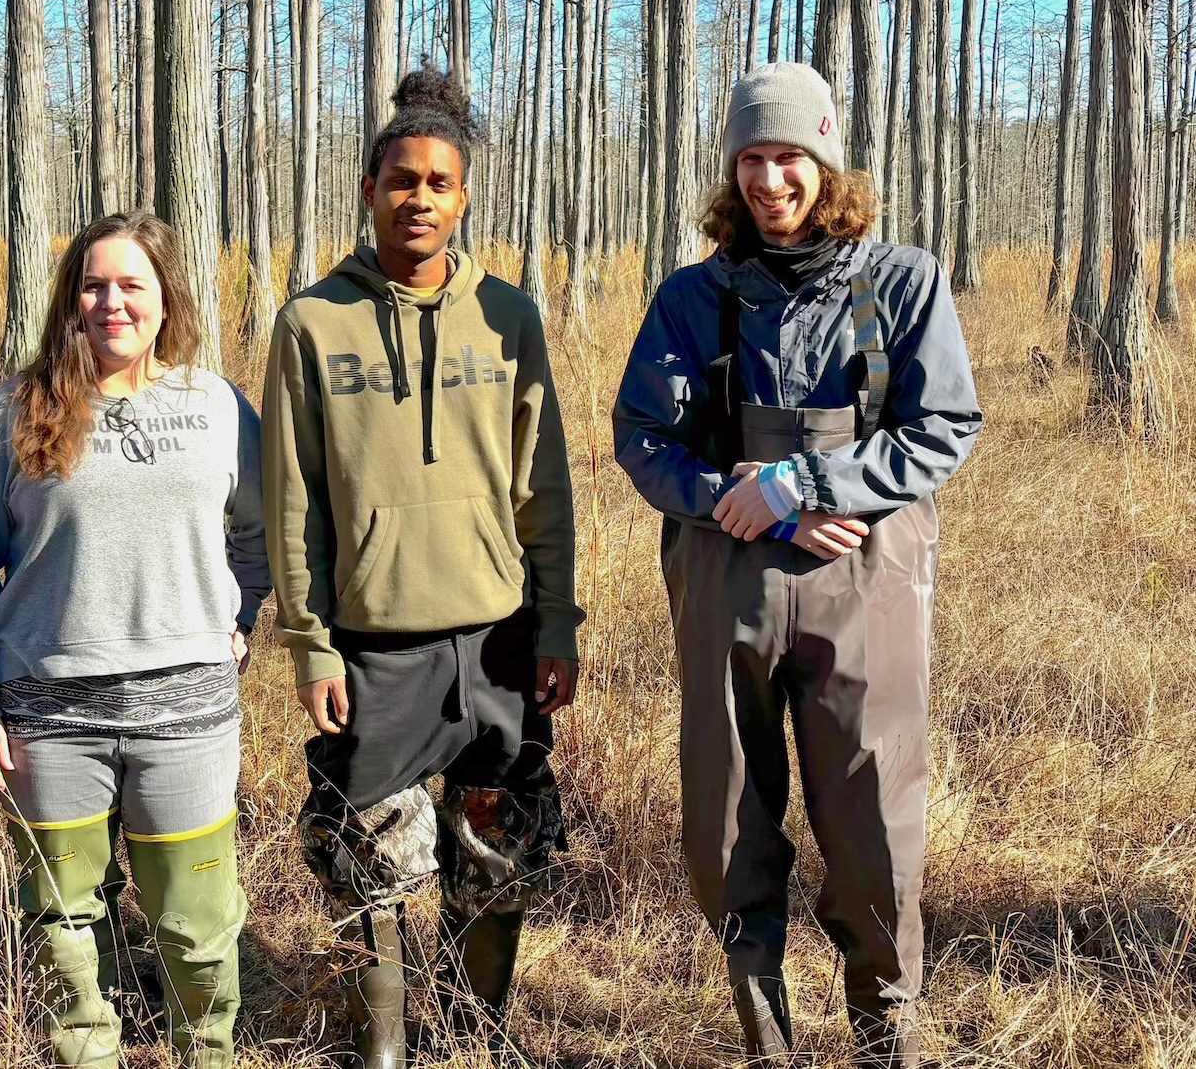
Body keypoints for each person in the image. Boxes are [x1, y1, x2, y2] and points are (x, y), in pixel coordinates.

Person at [612, 62, 982, 1067]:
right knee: (727, 822)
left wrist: (807, 486)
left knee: (874, 821)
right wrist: (732, 499)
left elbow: (943, 426)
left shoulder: (901, 282)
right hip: (726, 581)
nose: (769, 180)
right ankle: (765, 1041)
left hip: (865, 583)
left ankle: (885, 1043)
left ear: (825, 163)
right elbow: (644, 436)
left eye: (788, 157)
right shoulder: (692, 298)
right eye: (750, 159)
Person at [263, 68, 583, 1067]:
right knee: (366, 860)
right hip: (375, 646)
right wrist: (311, 645)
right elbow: (292, 502)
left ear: (463, 198)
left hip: (497, 640)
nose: (419, 198)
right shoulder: (312, 323)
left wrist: (557, 620)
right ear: (369, 189)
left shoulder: (507, 317)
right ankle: (386, 1050)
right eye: (401, 179)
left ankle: (474, 1036)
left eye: (439, 183)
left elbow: (542, 487)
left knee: (496, 848)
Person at [0, 212, 268, 1069]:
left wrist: (240, 615)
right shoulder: (15, 411)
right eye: (93, 285)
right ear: (70, 299)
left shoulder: (217, 407)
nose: (111, 302)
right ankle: (85, 1053)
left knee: (197, 925)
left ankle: (206, 1053)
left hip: (188, 715)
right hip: (49, 716)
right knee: (62, 922)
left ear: (167, 299)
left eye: (131, 285)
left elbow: (263, 530)